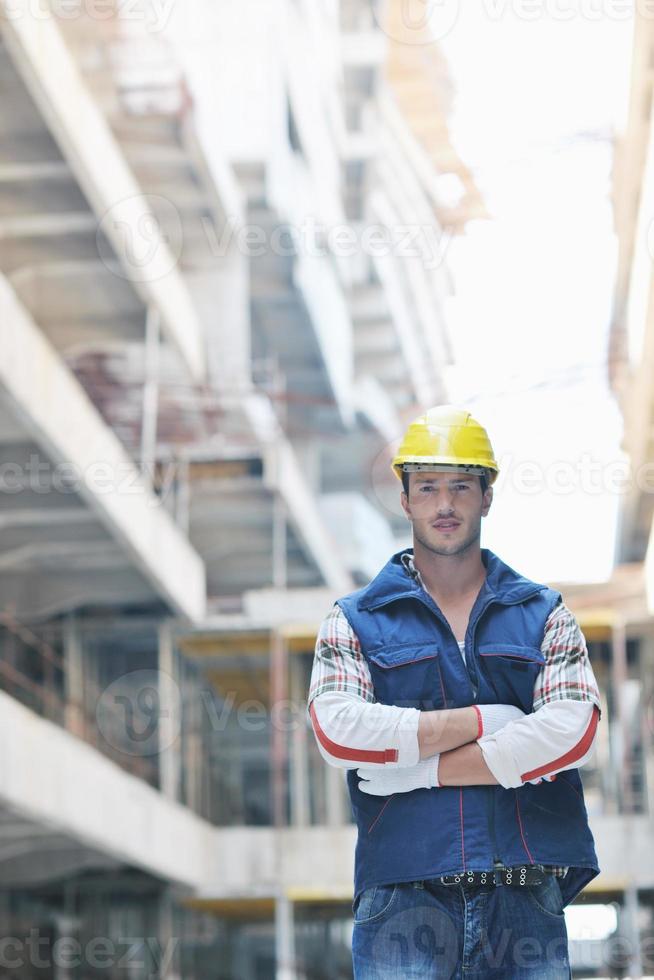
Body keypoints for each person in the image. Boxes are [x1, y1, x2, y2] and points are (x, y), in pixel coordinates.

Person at [307, 405, 601, 979]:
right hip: (403, 892)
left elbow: (577, 733)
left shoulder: (543, 613)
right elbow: (338, 733)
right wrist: (489, 721)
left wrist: (422, 770)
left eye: (462, 487)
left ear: (487, 496)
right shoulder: (355, 619)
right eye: (429, 487)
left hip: (523, 888)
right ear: (406, 499)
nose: (445, 505)